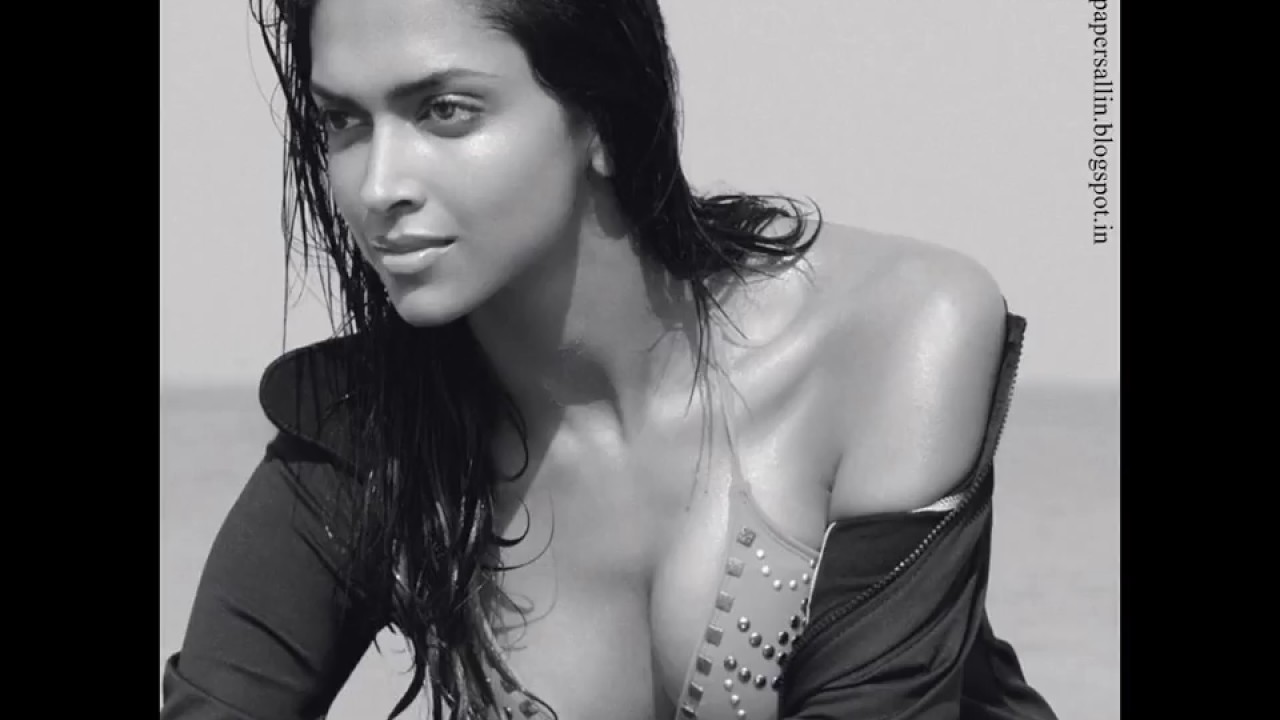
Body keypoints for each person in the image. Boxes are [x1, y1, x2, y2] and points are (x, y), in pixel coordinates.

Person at [160, 0, 1061, 718]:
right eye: (344, 121)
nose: (377, 184)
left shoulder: (887, 334)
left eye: (445, 110)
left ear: (601, 118)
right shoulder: (373, 441)